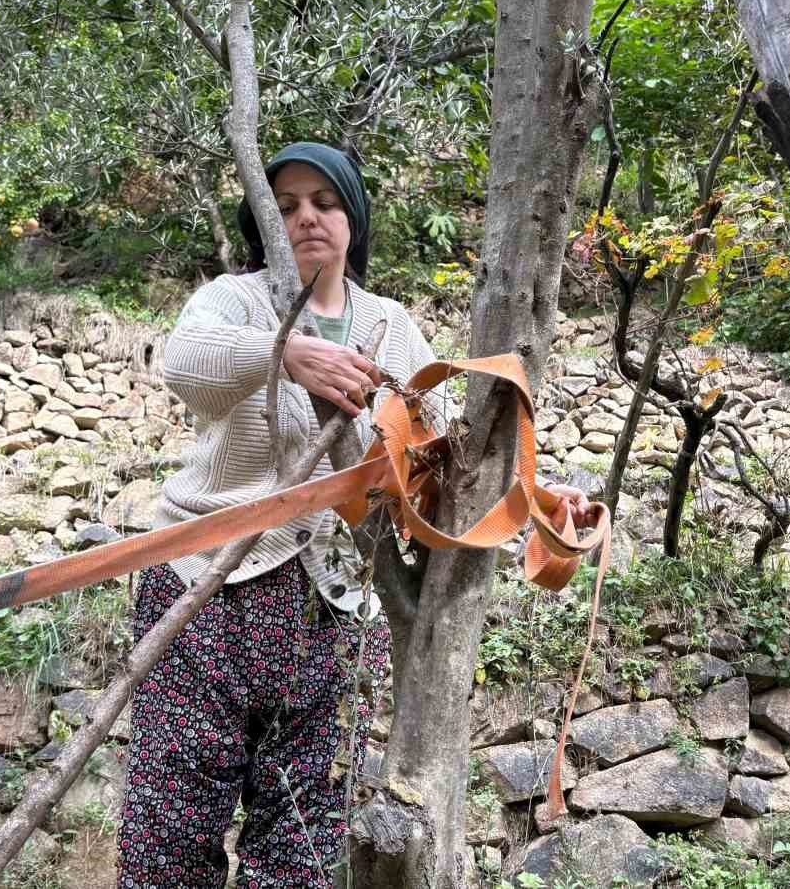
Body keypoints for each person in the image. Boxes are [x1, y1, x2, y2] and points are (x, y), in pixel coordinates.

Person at [117, 141, 591, 888]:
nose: (308, 218)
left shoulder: (390, 325)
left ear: (352, 215)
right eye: (286, 207)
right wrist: (286, 353)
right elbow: (187, 364)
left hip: (333, 607)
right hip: (203, 590)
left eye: (326, 202)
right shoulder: (234, 302)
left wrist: (541, 496)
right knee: (168, 835)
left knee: (301, 843)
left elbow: (443, 452)